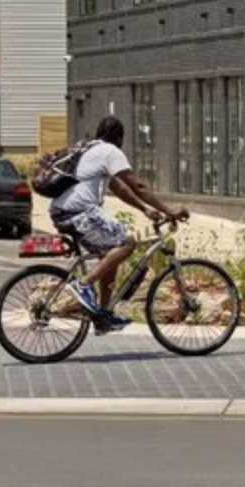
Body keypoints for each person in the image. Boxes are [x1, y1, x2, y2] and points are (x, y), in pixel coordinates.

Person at [49, 115, 189, 330]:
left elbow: (119, 187)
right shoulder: (111, 152)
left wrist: (145, 209)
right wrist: (169, 210)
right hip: (79, 211)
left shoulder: (91, 149)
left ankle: (104, 314)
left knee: (110, 253)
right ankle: (83, 284)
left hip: (64, 210)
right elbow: (138, 186)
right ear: (119, 137)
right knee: (127, 243)